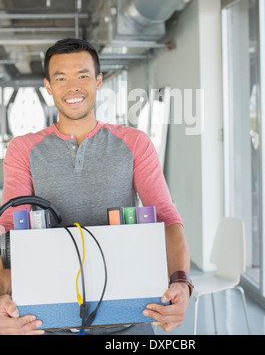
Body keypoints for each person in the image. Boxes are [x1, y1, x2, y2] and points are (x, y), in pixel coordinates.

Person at [0, 38, 192, 336]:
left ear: (98, 81)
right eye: (61, 78)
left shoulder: (134, 143)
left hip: (130, 314)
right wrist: (1, 298)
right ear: (48, 86)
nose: (73, 87)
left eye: (83, 76)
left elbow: (166, 217)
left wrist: (181, 281)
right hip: (46, 320)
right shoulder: (24, 149)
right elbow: (8, 230)